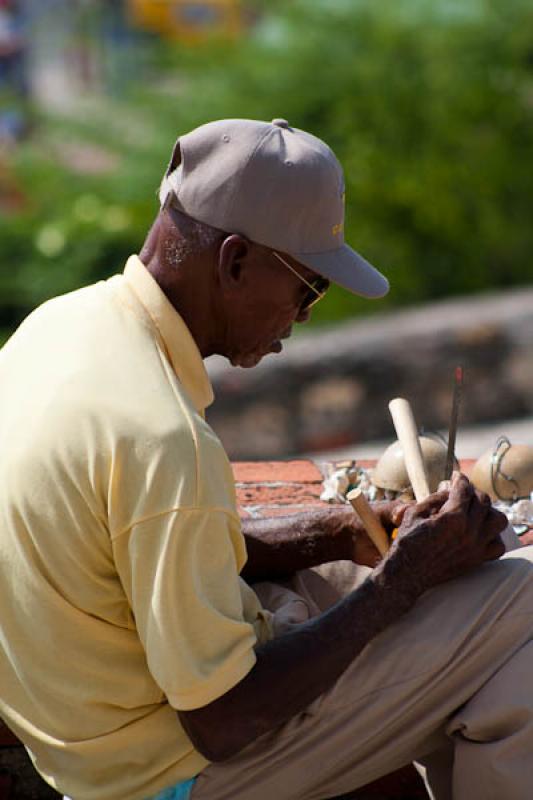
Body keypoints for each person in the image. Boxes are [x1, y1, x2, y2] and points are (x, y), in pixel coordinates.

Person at [0, 118, 532, 800]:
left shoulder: (57, 326)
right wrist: (401, 581)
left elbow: (138, 553)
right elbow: (223, 721)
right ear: (234, 261)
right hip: (171, 773)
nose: (304, 317)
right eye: (308, 288)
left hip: (97, 735)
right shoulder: (162, 438)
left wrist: (340, 533)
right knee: (519, 596)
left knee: (376, 580)